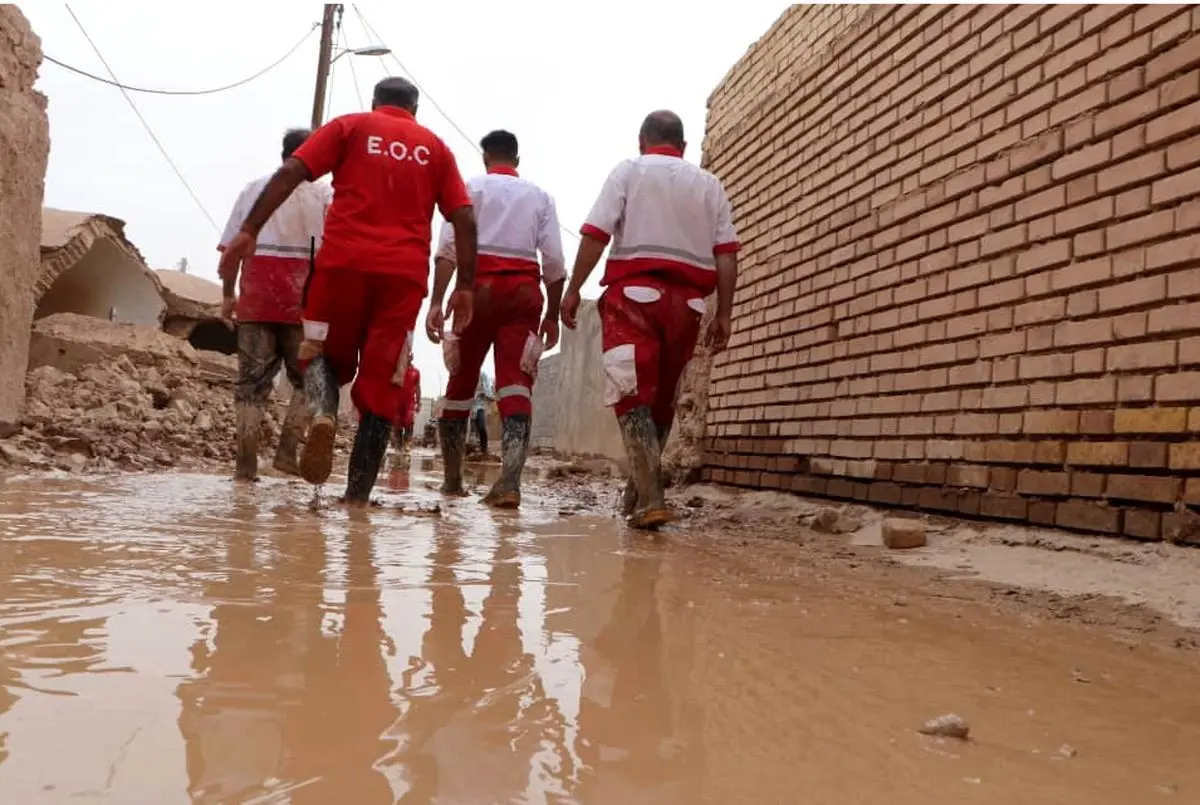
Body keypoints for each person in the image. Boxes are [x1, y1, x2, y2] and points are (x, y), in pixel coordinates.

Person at [219, 77, 478, 505]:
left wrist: (250, 230)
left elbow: (291, 172)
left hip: (340, 268)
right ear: (414, 109)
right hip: (402, 279)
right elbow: (463, 217)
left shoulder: (350, 126)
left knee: (318, 354)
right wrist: (464, 286)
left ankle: (323, 415)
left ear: (375, 103)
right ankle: (356, 498)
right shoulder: (435, 148)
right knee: (381, 384)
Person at [562, 110, 739, 529]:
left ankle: (651, 498)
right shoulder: (709, 185)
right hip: (690, 306)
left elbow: (595, 234)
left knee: (629, 393)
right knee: (660, 403)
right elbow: (726, 254)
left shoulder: (630, 170)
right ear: (684, 147)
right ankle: (638, 496)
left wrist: (573, 289)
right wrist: (725, 314)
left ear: (642, 141)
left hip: (634, 298)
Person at [426, 130, 565, 506]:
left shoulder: (468, 187)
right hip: (523, 295)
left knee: (460, 381)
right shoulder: (540, 197)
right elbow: (553, 263)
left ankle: (453, 481)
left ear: (485, 157)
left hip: (475, 291)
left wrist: (437, 301)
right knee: (516, 386)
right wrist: (551, 315)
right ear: (516, 160)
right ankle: (510, 483)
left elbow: (448, 252)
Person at [218, 128, 331, 481]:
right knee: (308, 381)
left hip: (256, 293)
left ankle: (246, 465)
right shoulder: (325, 196)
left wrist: (227, 295)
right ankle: (286, 452)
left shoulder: (254, 190)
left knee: (250, 385)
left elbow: (232, 249)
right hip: (305, 299)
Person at [393, 359, 421, 453]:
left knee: (409, 424)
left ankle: (406, 446)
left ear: (412, 357)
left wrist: (418, 402)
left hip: (409, 404)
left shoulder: (415, 372)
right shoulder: (397, 369)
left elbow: (417, 387)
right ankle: (397, 448)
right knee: (397, 426)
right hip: (397, 402)